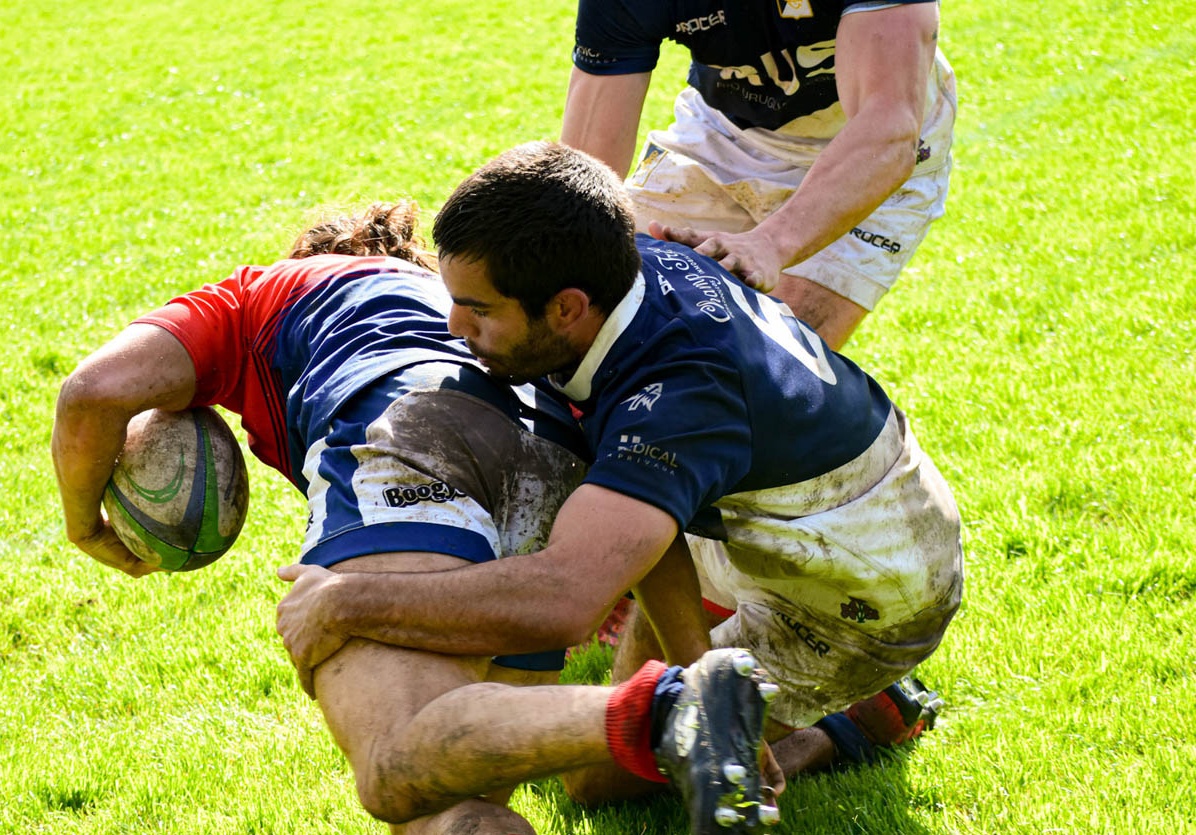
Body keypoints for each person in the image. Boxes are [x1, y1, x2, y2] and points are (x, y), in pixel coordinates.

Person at [50, 203, 780, 835]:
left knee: (392, 765)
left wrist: (85, 525)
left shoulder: (265, 292)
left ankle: (670, 710)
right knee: (431, 779)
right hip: (548, 463)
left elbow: (93, 393)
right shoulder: (483, 322)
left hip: (410, 429)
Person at [275, 143, 963, 796]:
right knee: (668, 718)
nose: (455, 326)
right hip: (775, 518)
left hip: (867, 584)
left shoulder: (673, 401)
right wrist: (700, 676)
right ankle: (742, 699)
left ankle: (857, 719)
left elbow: (564, 601)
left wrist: (345, 600)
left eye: (479, 309)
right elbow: (642, 516)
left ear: (567, 307)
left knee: (599, 783)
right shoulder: (622, 269)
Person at [559, 0, 956, 350]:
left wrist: (771, 243)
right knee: (591, 308)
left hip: (866, 148)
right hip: (724, 134)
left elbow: (886, 129)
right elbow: (586, 174)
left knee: (766, 367)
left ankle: (886, 436)